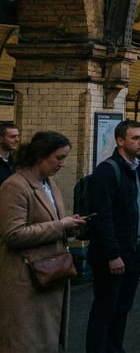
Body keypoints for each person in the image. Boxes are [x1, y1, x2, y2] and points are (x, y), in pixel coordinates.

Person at [0, 131, 87, 352]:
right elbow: (13, 234)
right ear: (40, 155)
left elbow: (52, 222)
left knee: (48, 340)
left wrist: (70, 226)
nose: (62, 164)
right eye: (58, 158)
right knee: (26, 341)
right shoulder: (15, 186)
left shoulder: (50, 184)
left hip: (52, 275)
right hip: (26, 279)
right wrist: (61, 226)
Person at [86, 119, 140, 353]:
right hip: (113, 253)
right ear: (120, 141)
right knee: (105, 308)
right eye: (135, 138)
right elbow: (102, 216)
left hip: (134, 250)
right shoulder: (108, 171)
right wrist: (112, 254)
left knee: (123, 307)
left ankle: (115, 348)